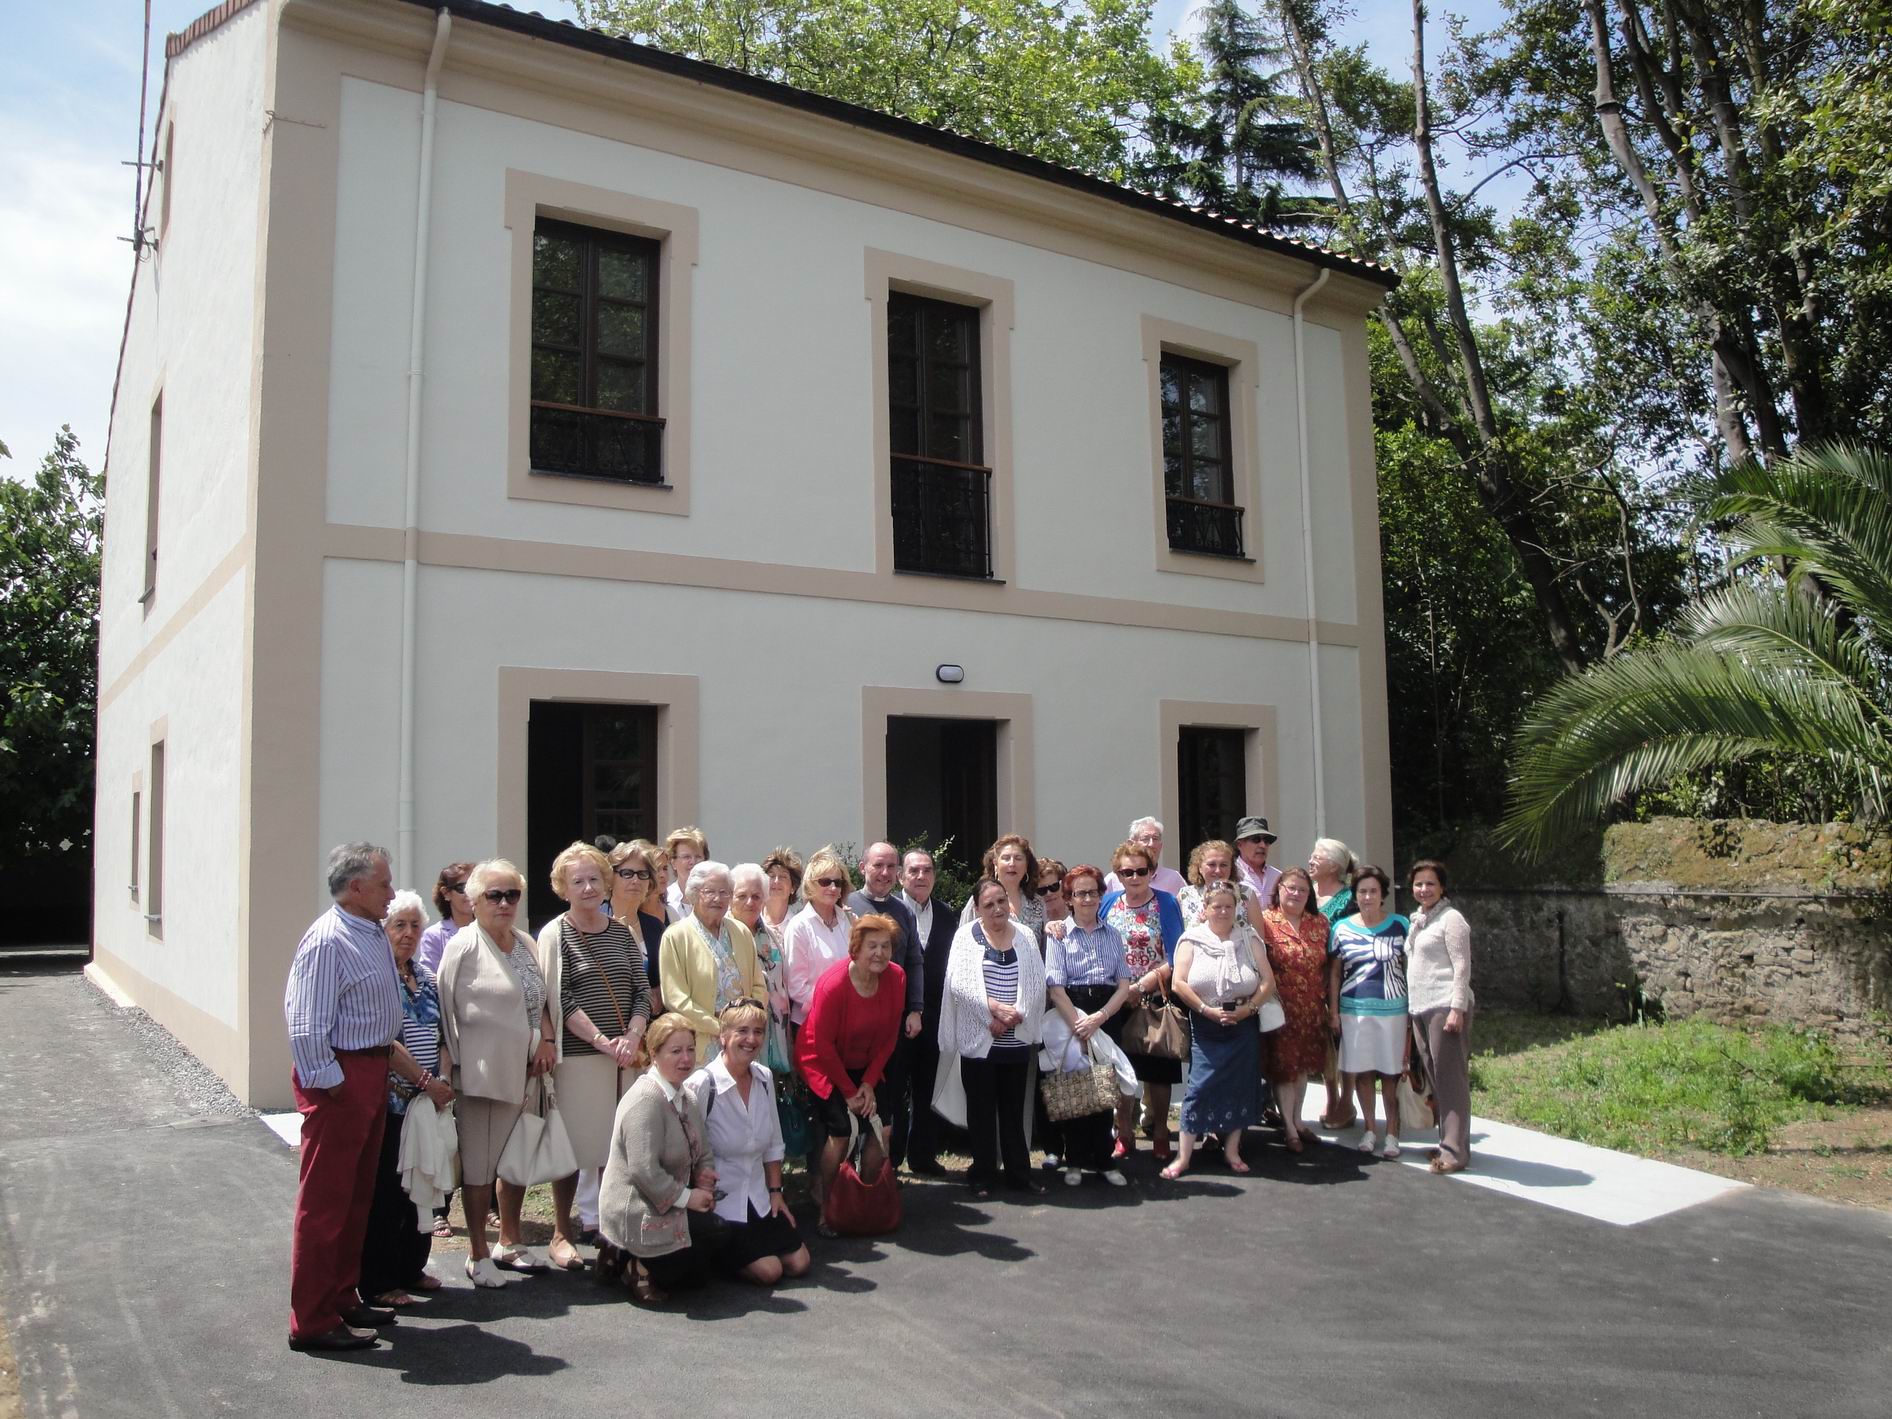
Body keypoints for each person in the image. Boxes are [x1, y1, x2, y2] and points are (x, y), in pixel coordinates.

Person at [283, 843, 403, 1352]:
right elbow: (305, 1019)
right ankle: (311, 1319)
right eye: (383, 884)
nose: (392, 894)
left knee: (357, 1196)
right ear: (356, 887)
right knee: (326, 1201)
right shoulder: (328, 940)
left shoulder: (369, 931)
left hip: (369, 1071)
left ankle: (341, 1294)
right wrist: (332, 1083)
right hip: (343, 1076)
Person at [436, 859, 558, 1286]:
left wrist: (546, 1038)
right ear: (473, 900)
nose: (505, 903)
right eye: (494, 895)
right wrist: (454, 1069)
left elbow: (540, 999)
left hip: (527, 1069)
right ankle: (477, 1252)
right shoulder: (463, 946)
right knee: (479, 1166)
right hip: (483, 1074)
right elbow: (446, 1009)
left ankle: (510, 1240)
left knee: (516, 1158)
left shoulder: (525, 941)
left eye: (512, 895)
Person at [536, 841, 652, 1272]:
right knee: (572, 1147)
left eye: (594, 879)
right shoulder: (556, 932)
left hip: (625, 1056)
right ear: (563, 887)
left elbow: (642, 990)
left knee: (612, 1147)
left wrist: (634, 1035)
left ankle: (608, 1228)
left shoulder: (622, 931)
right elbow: (559, 998)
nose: (588, 888)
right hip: (583, 1057)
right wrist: (606, 1041)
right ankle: (561, 1234)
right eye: (577, 881)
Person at [358, 890, 454, 1308]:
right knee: (390, 1193)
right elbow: (387, 1042)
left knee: (427, 1186)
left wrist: (444, 1079)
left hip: (429, 1101)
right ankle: (380, 1280)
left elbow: (443, 1035)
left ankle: (412, 1268)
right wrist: (425, 1081)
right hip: (395, 1101)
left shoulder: (427, 977)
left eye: (416, 925)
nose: (409, 933)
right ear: (384, 929)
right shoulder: (380, 978)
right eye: (399, 925)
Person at [682, 1001, 812, 1284]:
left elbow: (774, 1143)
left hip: (759, 1198)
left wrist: (776, 1192)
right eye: (742, 1031)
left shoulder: (764, 1078)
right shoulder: (703, 1084)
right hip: (720, 1204)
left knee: (799, 1262)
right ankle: (712, 1253)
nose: (751, 1039)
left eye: (757, 1031)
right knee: (770, 1272)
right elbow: (685, 1150)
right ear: (723, 1036)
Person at [597, 1013, 722, 1302]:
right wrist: (689, 1198)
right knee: (710, 1238)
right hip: (637, 1206)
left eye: (690, 1049)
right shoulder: (645, 1100)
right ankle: (634, 1262)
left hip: (669, 1199)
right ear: (654, 1054)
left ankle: (626, 1256)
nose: (686, 1058)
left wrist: (704, 1180)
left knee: (705, 1264)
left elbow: (704, 1152)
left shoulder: (686, 1096)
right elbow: (644, 1171)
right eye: (675, 1051)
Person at [797, 913, 907, 1228]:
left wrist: (869, 1083)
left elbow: (889, 1037)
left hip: (867, 1062)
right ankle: (828, 1210)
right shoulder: (833, 985)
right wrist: (848, 1092)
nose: (880, 954)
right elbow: (822, 1046)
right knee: (842, 1132)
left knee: (881, 1130)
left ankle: (862, 1198)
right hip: (822, 1061)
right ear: (855, 949)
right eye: (872, 946)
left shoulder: (896, 977)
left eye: (886, 946)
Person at [942, 878, 1048, 1199]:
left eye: (1001, 901)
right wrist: (993, 1012)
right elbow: (958, 983)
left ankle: (1019, 1174)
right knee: (981, 1112)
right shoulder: (965, 937)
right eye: (989, 904)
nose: (997, 908)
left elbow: (1035, 981)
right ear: (977, 909)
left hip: (1015, 1040)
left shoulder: (1026, 935)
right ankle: (982, 1175)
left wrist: (1014, 1014)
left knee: (1014, 1112)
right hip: (979, 1039)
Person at [1163, 882, 1277, 1179]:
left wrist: (1248, 1009)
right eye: (1217, 906)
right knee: (1200, 1087)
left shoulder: (1249, 938)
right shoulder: (1192, 939)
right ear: (1206, 908)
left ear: (1237, 907)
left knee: (1241, 1085)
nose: (1223, 911)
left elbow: (1268, 982)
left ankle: (1232, 1150)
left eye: (1229, 905)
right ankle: (1184, 1156)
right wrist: (1205, 1010)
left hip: (1243, 1022)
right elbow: (1179, 983)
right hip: (1205, 1022)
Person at [1043, 864, 1133, 1187]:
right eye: (1080, 893)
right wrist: (1080, 1024)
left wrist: (1100, 1019)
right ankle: (1075, 1160)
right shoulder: (1059, 935)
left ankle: (1104, 1159)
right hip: (1072, 1013)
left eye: (1093, 892)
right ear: (1069, 898)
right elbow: (1055, 988)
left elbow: (1123, 985)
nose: (1087, 899)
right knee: (1077, 1089)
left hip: (1106, 1013)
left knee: (1104, 1089)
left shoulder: (1113, 934)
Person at [1099, 840, 1187, 1164]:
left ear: (1151, 872)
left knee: (1158, 1069)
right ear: (1118, 874)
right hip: (1116, 999)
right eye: (1126, 871)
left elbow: (1178, 953)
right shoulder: (1107, 903)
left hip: (1152, 994)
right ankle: (1123, 1133)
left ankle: (1161, 1132)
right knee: (1117, 1070)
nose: (1134, 877)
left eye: (1140, 870)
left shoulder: (1165, 902)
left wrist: (1144, 984)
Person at [847, 842, 926, 1156]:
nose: (884, 873)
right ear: (863, 867)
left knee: (891, 1092)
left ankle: (885, 1169)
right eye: (877, 865)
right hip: (854, 1021)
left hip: (894, 1020)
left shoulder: (903, 910)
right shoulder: (847, 904)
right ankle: (848, 1168)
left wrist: (916, 1009)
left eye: (891, 867)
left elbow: (915, 960)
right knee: (855, 1092)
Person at [1328, 865, 1409, 1159]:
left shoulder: (1401, 925)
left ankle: (1393, 1133)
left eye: (1373, 891)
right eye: (1362, 891)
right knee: (1362, 1073)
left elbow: (1409, 969)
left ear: (1382, 894)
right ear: (1355, 895)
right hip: (1355, 1010)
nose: (1367, 896)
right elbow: (1335, 974)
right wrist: (1334, 1012)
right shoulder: (1342, 928)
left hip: (1394, 1011)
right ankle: (1370, 1129)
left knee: (1390, 1073)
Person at [659, 862, 767, 1063]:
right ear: (694, 893)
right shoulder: (675, 936)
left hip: (743, 1041)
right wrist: (721, 1028)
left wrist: (747, 1024)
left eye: (724, 892)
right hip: (700, 1043)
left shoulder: (741, 932)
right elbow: (675, 999)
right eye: (709, 892)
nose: (717, 899)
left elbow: (758, 986)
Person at [1406, 859, 1474, 1174]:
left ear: (1442, 887)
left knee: (1451, 1079)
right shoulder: (1420, 920)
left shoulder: (1451, 919)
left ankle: (1455, 1152)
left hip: (1445, 1006)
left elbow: (1462, 966)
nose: (1424, 889)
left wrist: (1457, 1008)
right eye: (1418, 884)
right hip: (1421, 1006)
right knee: (1437, 1078)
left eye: (1430, 883)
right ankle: (1447, 1141)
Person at [1260, 866, 1331, 1152]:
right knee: (1284, 1068)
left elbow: (1329, 965)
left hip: (1311, 1007)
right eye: (1290, 887)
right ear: (1278, 889)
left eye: (1303, 889)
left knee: (1302, 1067)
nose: (1296, 893)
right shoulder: (1266, 921)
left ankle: (1298, 1120)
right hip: (1280, 1006)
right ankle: (1288, 1127)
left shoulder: (1320, 923)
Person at [897, 847, 956, 1176]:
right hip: (895, 1016)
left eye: (927, 871)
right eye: (914, 871)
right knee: (893, 1091)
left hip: (934, 1017)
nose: (921, 876)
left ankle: (922, 1155)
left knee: (927, 1088)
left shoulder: (947, 914)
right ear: (901, 876)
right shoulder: (890, 911)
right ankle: (888, 1161)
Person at [1309, 837, 1359, 1128]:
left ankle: (1347, 1100)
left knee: (1343, 1042)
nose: (1312, 860)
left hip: (1341, 980)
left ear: (1335, 866)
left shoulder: (1349, 899)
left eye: (1318, 857)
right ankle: (1330, 1096)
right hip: (1313, 980)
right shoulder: (1309, 893)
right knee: (1324, 1044)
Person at [730, 862, 794, 1076]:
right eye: (742, 896)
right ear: (730, 896)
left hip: (771, 1034)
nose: (750, 902)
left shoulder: (772, 936)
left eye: (757, 896)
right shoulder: (722, 936)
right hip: (735, 1036)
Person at [783, 847, 854, 1028]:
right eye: (825, 882)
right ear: (810, 885)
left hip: (848, 1019)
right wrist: (830, 1008)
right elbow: (796, 986)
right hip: (812, 1022)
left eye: (837, 883)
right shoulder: (799, 926)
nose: (832, 887)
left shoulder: (851, 921)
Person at [957, 834, 1046, 947]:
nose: (1012, 864)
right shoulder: (980, 900)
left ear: (1026, 865)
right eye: (1006, 858)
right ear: (995, 864)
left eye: (1018, 858)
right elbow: (963, 942)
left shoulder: (1037, 902)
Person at [1177, 839, 1264, 929]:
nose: (1218, 870)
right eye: (1212, 864)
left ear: (1231, 868)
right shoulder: (1185, 895)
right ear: (1199, 868)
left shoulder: (1246, 894)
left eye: (1223, 865)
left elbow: (1258, 939)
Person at [416, 861, 474, 976]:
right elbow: (430, 978)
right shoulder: (434, 936)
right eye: (462, 888)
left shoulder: (489, 930)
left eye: (473, 887)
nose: (469, 893)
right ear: (446, 893)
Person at [1104, 817, 1188, 896]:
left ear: (1161, 845)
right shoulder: (1113, 880)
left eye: (1155, 838)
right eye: (1145, 838)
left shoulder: (1173, 879)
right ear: (1131, 844)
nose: (1151, 844)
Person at [1233, 816, 1281, 907]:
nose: (1263, 845)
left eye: (1266, 840)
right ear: (1240, 845)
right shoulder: (1230, 874)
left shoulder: (1278, 876)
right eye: (1256, 840)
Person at [761, 846, 804, 942]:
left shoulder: (799, 926)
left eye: (783, 877)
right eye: (771, 876)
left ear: (793, 887)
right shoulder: (753, 919)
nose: (776, 881)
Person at [663, 826, 708, 917]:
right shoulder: (666, 899)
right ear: (673, 862)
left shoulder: (716, 898)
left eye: (698, 857)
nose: (693, 862)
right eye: (686, 857)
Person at [1036, 859, 1070, 929]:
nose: (1049, 893)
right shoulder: (1036, 919)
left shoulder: (1077, 910)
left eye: (1054, 887)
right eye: (1042, 890)